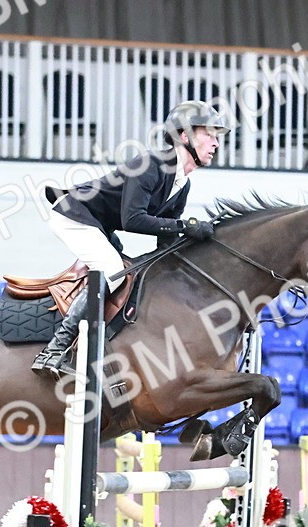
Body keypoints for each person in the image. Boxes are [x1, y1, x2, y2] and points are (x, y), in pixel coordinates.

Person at [30, 100, 231, 378]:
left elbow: (166, 241)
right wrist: (186, 226)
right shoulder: (149, 165)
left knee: (131, 272)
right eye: (208, 134)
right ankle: (53, 350)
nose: (216, 143)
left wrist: (196, 249)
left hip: (99, 225)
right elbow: (133, 220)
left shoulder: (182, 184)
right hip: (72, 214)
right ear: (184, 136)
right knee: (111, 270)